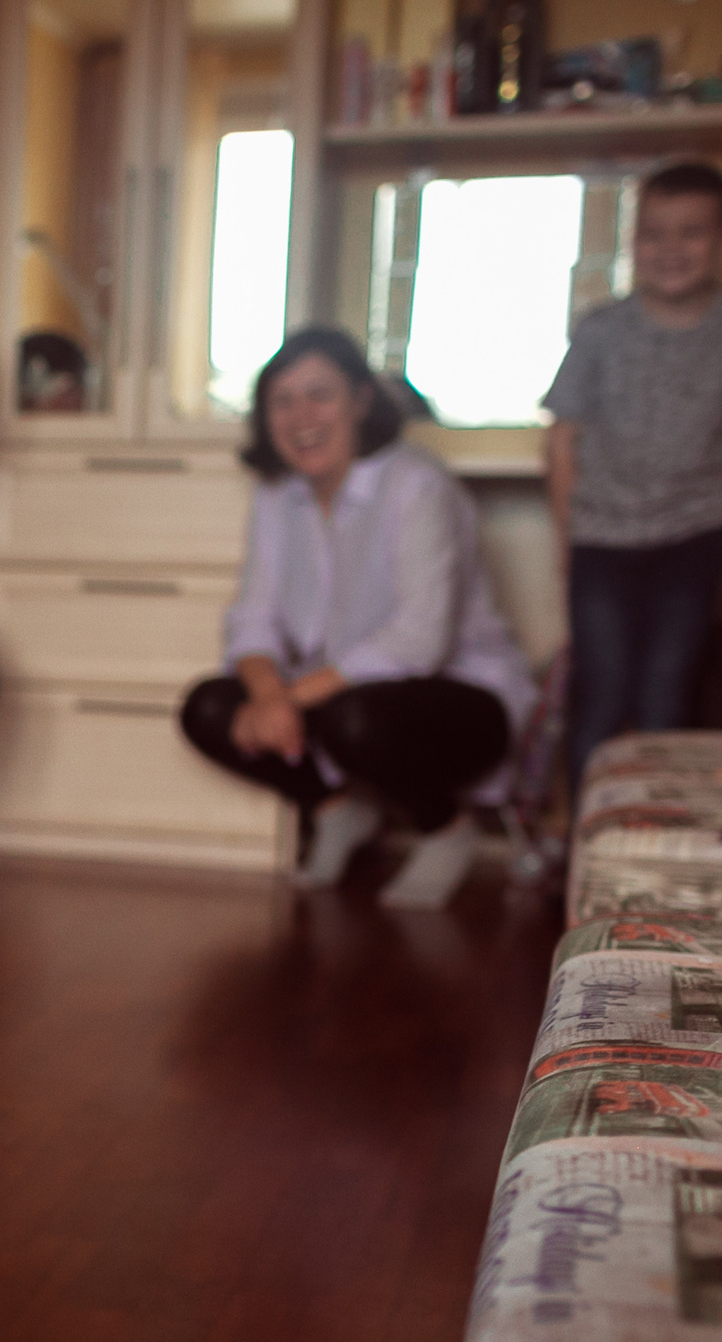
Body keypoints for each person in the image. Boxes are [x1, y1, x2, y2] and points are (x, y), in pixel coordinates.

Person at [179, 327, 536, 910]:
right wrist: (268, 694)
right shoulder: (276, 496)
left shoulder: (417, 484)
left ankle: (446, 828)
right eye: (283, 400)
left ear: (361, 402)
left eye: (320, 394)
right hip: (337, 693)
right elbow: (253, 616)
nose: (302, 416)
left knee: (351, 717)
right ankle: (337, 811)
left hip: (462, 703)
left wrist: (288, 701)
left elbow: (418, 640)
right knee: (210, 706)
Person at [543, 158, 722, 793]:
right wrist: (569, 537)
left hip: (695, 537)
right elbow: (562, 438)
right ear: (633, 239)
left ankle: (652, 851)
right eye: (654, 233)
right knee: (600, 691)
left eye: (691, 232)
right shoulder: (601, 330)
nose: (670, 249)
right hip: (602, 538)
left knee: (666, 693)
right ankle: (583, 857)